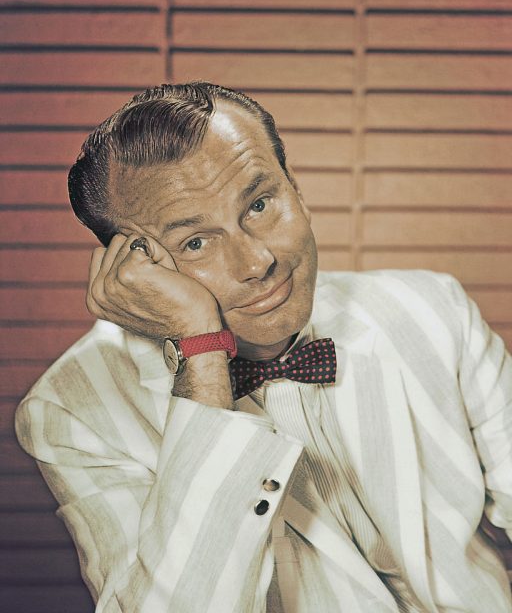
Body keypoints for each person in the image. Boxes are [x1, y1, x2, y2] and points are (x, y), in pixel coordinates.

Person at [15, 82, 512, 613]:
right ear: (136, 269)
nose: (257, 262)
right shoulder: (71, 409)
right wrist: (201, 352)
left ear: (296, 191)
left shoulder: (435, 308)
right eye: (195, 243)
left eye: (258, 205)